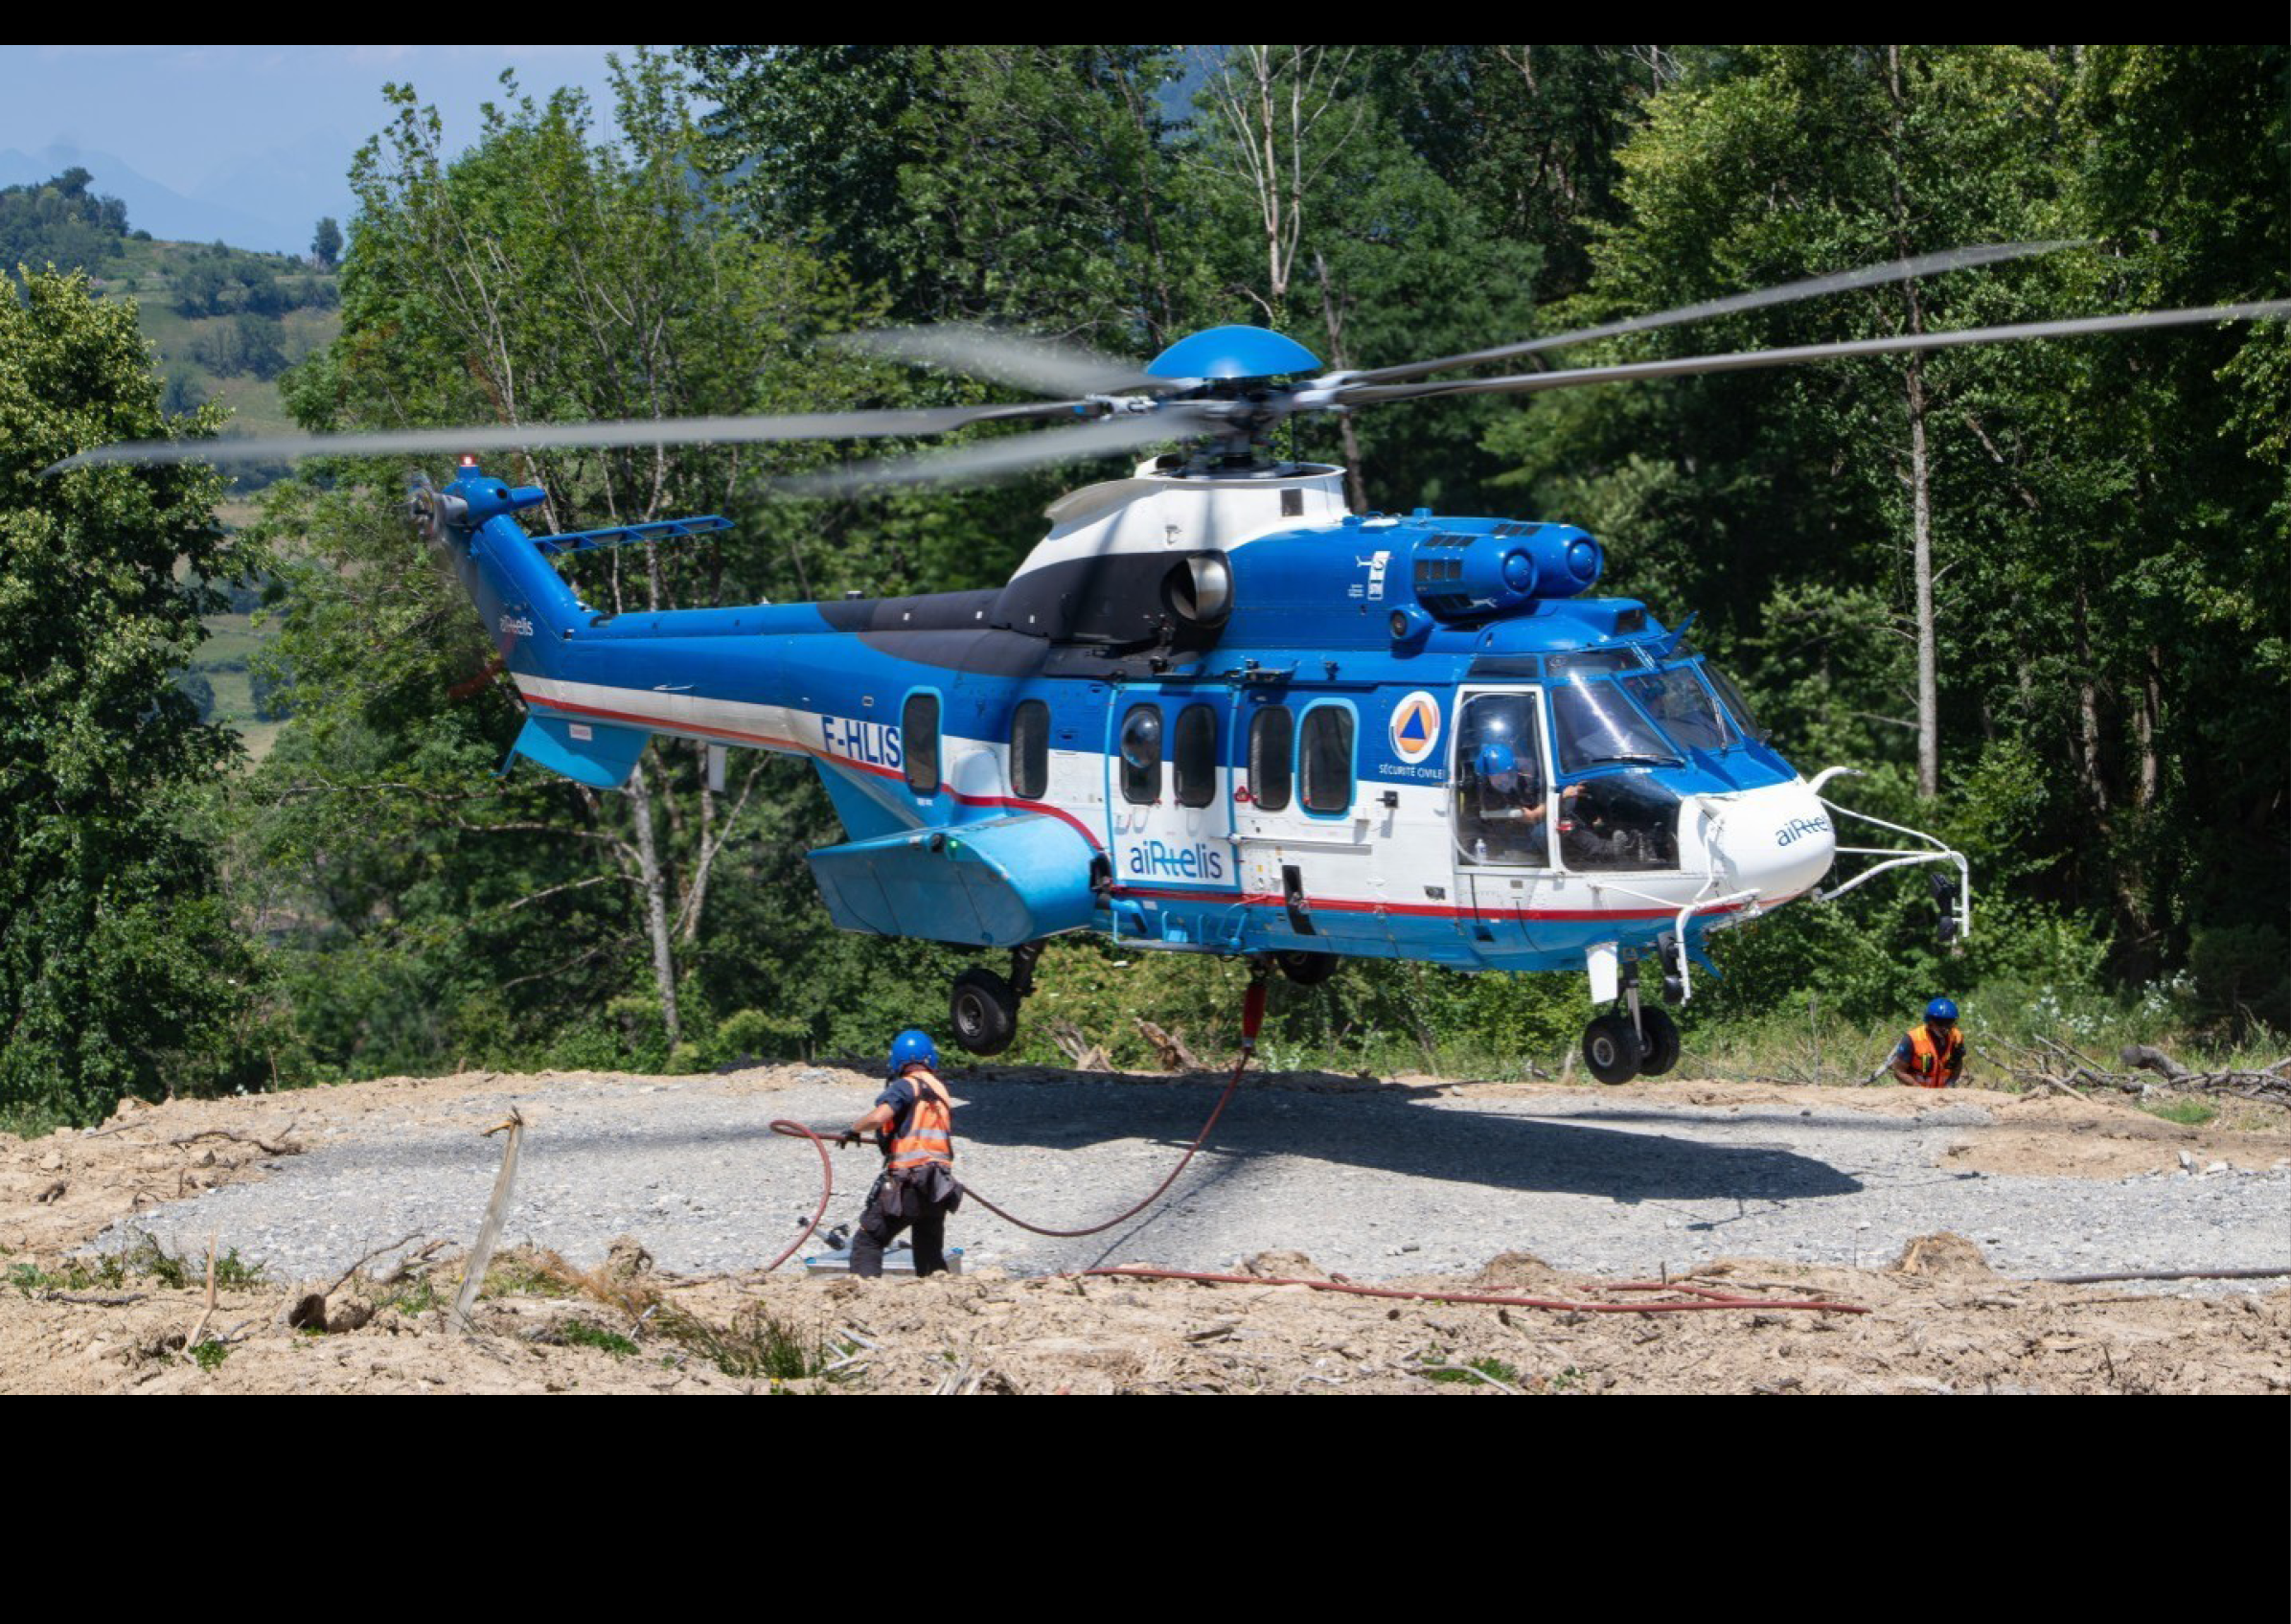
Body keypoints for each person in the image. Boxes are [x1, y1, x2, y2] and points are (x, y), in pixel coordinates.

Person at [840, 1028, 962, 1277]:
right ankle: (940, 1292)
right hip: (939, 1185)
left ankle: (864, 1294)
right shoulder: (940, 1090)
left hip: (909, 1182)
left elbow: (879, 1117)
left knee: (869, 1239)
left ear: (897, 1060)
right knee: (929, 1250)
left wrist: (854, 1129)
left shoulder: (905, 1086)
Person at [1890, 997, 1966, 1087]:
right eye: (1940, 1022)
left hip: (1944, 1092)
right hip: (1917, 1091)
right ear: (1929, 1021)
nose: (1944, 1027)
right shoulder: (1912, 1038)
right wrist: (1920, 1090)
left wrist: (1949, 1085)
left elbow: (1958, 1063)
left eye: (1949, 1022)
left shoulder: (1956, 1037)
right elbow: (1899, 1071)